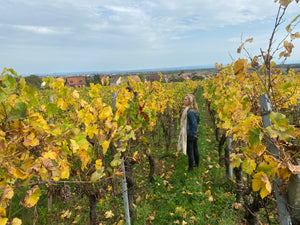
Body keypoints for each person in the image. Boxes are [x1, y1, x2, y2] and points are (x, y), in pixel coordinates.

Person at [177, 94, 200, 171]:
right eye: (184, 99)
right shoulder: (195, 110)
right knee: (195, 148)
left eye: (186, 99)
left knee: (190, 151)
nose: (184, 100)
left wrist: (192, 134)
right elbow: (198, 121)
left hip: (190, 133)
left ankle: (190, 168)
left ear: (190, 101)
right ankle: (197, 164)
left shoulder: (189, 112)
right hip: (194, 133)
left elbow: (194, 124)